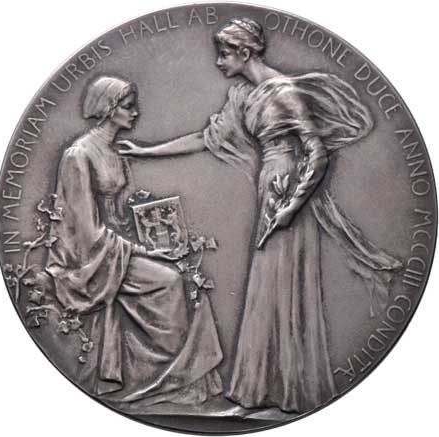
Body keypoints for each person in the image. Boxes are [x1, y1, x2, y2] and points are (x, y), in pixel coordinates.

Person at [119, 18, 402, 413]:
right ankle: (262, 390)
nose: (218, 62)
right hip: (270, 188)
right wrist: (146, 151)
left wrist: (291, 208)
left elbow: (318, 154)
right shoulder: (245, 97)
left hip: (287, 194)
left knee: (280, 284)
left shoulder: (283, 93)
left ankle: (283, 391)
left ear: (245, 52)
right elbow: (205, 138)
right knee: (267, 285)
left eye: (224, 54)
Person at [45, 76, 223, 407]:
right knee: (171, 281)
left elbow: (123, 215)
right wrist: (144, 250)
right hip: (91, 259)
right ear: (108, 108)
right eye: (128, 106)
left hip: (118, 248)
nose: (136, 113)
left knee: (190, 278)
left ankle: (179, 376)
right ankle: (168, 381)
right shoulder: (78, 155)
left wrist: (162, 232)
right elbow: (82, 230)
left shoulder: (117, 152)